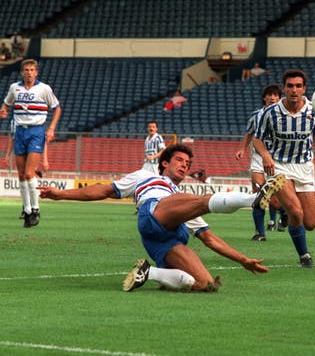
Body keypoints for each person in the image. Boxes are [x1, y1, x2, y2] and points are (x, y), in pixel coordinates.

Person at [38, 143, 287, 292]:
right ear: (164, 163)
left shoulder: (183, 200)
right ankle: (252, 199)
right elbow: (104, 189)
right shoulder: (145, 177)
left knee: (204, 285)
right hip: (153, 213)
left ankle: (150, 273)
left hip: (165, 242)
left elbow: (210, 239)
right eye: (179, 160)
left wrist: (243, 260)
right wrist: (62, 194)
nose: (184, 165)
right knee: (203, 200)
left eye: (187, 163)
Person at [253, 69, 315, 268]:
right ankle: (304, 256)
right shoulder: (270, 113)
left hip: (304, 166)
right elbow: (257, 139)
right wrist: (266, 155)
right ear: (284, 88)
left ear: (304, 89)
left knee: (310, 222)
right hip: (279, 166)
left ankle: (286, 213)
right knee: (296, 212)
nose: (294, 90)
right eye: (290, 86)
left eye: (298, 86)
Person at [0, 59, 61, 228]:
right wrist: (3, 111)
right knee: (20, 174)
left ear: (36, 72)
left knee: (28, 173)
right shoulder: (15, 88)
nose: (28, 72)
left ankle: (35, 209)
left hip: (36, 131)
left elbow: (57, 107)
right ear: (22, 72)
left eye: (32, 70)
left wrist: (51, 129)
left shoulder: (44, 89)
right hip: (20, 131)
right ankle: (26, 210)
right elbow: (6, 104)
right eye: (26, 69)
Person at [235, 83, 288, 241]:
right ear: (264, 97)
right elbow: (249, 133)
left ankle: (284, 211)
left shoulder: (285, 116)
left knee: (275, 196)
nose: (272, 98)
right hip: (258, 158)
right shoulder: (256, 115)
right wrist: (242, 149)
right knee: (259, 194)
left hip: (277, 159)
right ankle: (260, 233)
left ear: (279, 97)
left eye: (275, 95)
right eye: (269, 95)